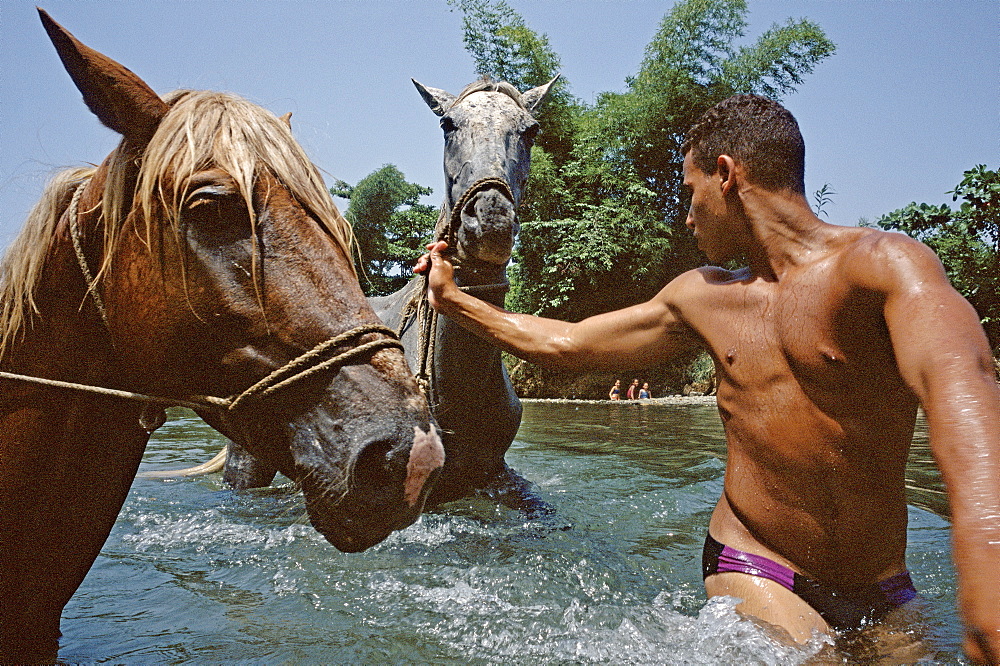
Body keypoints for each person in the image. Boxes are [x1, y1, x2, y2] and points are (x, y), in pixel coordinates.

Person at [416, 94, 1000, 662]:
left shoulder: (883, 269)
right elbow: (567, 344)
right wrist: (453, 299)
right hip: (758, 563)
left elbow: (964, 392)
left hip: (882, 587)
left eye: (690, 194)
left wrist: (987, 568)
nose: (687, 217)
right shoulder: (703, 297)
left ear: (726, 176)